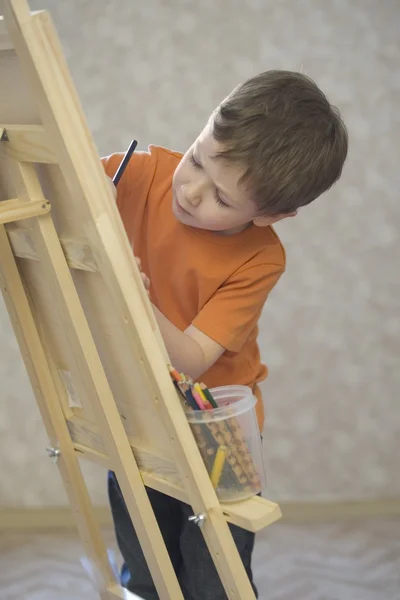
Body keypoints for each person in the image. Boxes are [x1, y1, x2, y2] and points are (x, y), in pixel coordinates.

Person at [102, 70, 348, 600]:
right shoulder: (140, 177)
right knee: (146, 573)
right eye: (196, 158)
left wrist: (133, 301)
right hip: (139, 413)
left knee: (215, 582)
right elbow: (54, 194)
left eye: (221, 198)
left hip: (220, 432)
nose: (190, 191)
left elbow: (190, 359)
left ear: (270, 216)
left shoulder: (260, 258)